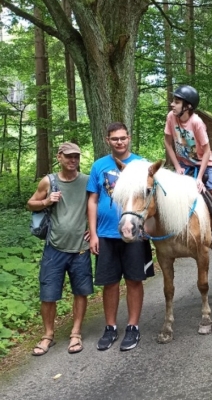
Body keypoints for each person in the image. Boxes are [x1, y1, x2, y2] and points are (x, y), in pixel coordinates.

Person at [87, 122, 154, 352]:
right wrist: (93, 233)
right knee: (110, 282)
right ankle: (110, 327)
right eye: (114, 138)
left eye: (123, 138)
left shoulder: (142, 165)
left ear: (129, 138)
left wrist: (148, 228)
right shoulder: (99, 166)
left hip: (135, 233)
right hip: (106, 233)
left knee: (134, 280)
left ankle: (133, 327)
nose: (119, 142)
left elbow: (151, 197)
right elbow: (93, 200)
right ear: (107, 140)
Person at [27, 142, 93, 356]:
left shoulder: (87, 181)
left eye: (76, 157)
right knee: (48, 294)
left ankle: (75, 333)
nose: (73, 160)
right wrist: (47, 201)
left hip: (80, 248)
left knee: (80, 292)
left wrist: (94, 230)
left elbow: (97, 206)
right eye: (69, 156)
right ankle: (47, 336)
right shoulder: (49, 181)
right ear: (60, 157)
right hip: (54, 247)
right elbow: (30, 203)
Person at [164, 85, 212, 262]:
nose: (172, 104)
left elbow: (206, 152)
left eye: (177, 101)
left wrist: (199, 177)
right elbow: (167, 143)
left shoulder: (196, 123)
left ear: (188, 106)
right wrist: (177, 166)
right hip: (183, 166)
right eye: (173, 101)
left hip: (206, 166)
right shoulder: (171, 118)